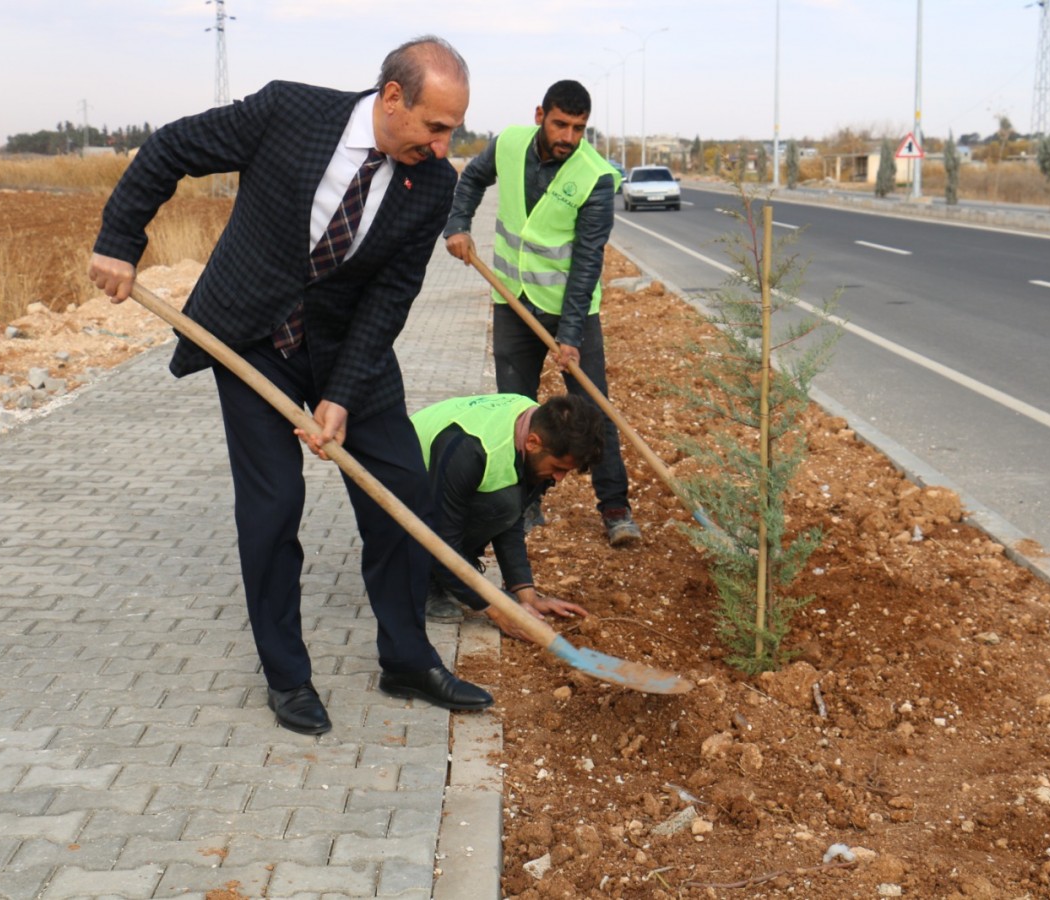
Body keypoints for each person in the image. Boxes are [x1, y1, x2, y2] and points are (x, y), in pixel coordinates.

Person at [88, 36, 494, 733]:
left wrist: (339, 396)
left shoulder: (430, 184)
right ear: (392, 98)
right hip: (250, 340)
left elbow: (390, 296)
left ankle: (406, 658)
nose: (443, 143)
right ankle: (287, 675)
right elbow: (171, 149)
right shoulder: (288, 113)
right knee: (274, 504)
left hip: (345, 346)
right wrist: (121, 239)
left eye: (452, 128)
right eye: (435, 125)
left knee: (401, 487)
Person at [443, 79, 642, 548]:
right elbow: (471, 178)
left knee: (594, 410)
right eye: (560, 124)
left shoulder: (595, 177)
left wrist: (570, 334)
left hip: (569, 311)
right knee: (518, 410)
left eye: (578, 128)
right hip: (512, 301)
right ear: (540, 115)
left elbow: (587, 263)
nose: (568, 137)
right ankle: (524, 506)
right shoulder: (509, 144)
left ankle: (615, 510)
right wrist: (457, 225)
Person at [410, 393, 603, 641]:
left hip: (439, 483)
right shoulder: (469, 450)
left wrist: (527, 595)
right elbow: (442, 539)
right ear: (533, 442)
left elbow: (512, 518)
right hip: (392, 494)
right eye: (558, 468)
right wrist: (498, 612)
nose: (559, 479)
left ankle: (456, 574)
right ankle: (423, 578)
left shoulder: (535, 425)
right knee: (496, 505)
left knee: (506, 503)